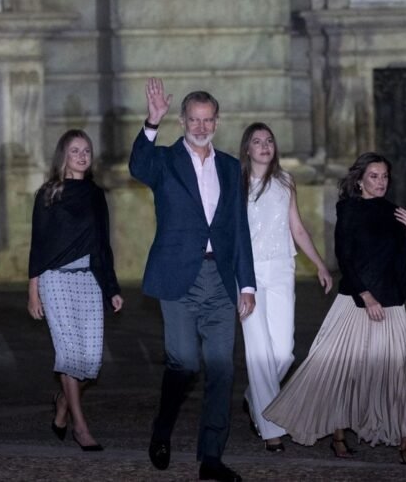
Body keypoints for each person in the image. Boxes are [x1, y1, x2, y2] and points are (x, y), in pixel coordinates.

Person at [262, 152, 406, 465]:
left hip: (391, 304)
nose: (381, 182)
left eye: (385, 177)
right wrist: (366, 297)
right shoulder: (349, 209)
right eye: (374, 176)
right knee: (343, 373)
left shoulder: (395, 213)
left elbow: (403, 272)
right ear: (360, 179)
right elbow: (346, 258)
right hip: (356, 301)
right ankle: (338, 435)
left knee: (396, 377)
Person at [129, 77, 256, 482]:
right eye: (194, 120)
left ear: (217, 121)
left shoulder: (231, 167)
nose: (201, 127)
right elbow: (137, 166)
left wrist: (247, 285)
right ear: (182, 121)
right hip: (177, 277)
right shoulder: (164, 161)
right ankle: (162, 430)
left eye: (208, 120)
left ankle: (211, 459)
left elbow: (239, 229)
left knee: (222, 370)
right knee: (183, 362)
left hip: (220, 279)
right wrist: (151, 123)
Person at [27, 129, 124, 452]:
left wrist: (112, 287)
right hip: (55, 280)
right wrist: (33, 290)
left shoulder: (96, 195)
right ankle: (81, 428)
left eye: (86, 150)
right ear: (63, 156)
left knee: (91, 362)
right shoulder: (49, 193)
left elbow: (102, 245)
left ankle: (63, 403)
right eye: (75, 151)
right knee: (70, 357)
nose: (82, 156)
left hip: (89, 280)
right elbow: (38, 244)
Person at [237, 122, 332, 452]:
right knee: (259, 351)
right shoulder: (236, 183)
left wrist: (320, 265)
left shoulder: (285, 181)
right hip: (248, 274)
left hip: (281, 269)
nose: (264, 146)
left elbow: (298, 228)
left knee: (283, 352)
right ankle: (270, 429)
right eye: (257, 141)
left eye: (269, 140)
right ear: (247, 149)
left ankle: (253, 396)